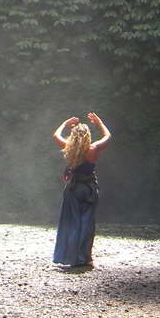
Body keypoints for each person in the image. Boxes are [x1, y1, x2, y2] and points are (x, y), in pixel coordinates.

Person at [51, 112, 111, 267]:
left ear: (74, 136)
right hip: (89, 189)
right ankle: (85, 258)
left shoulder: (67, 147)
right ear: (87, 136)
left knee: (71, 222)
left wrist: (65, 123)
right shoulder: (93, 149)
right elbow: (108, 136)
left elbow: (55, 135)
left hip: (73, 189)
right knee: (87, 224)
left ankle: (70, 257)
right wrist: (99, 122)